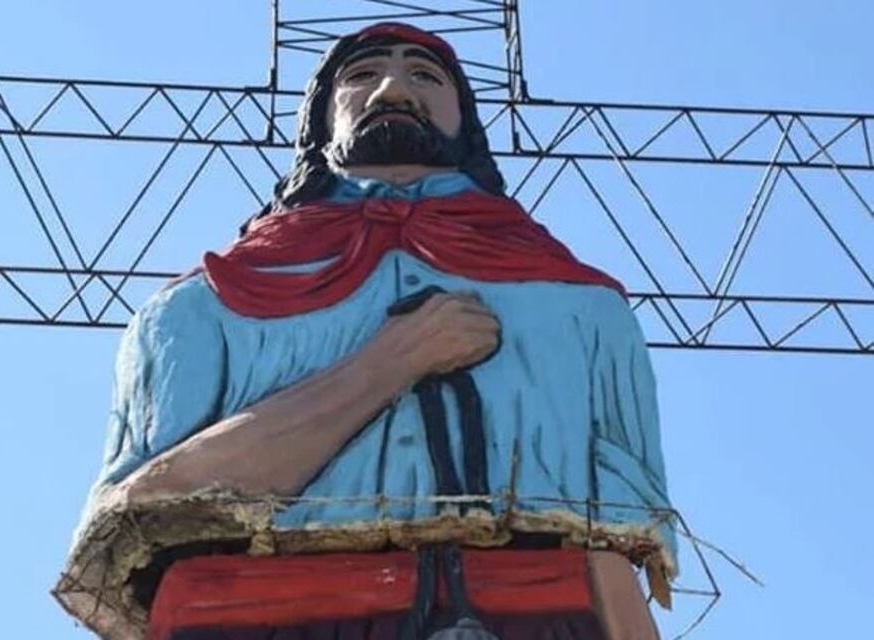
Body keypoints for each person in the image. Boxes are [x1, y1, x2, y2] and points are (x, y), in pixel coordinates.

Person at [66, 22, 676, 640]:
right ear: (318, 120)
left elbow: (617, 551)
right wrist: (391, 363)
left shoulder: (586, 311)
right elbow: (144, 507)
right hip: (258, 619)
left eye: (425, 76)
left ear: (466, 119)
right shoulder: (196, 311)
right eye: (362, 75)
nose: (393, 90)